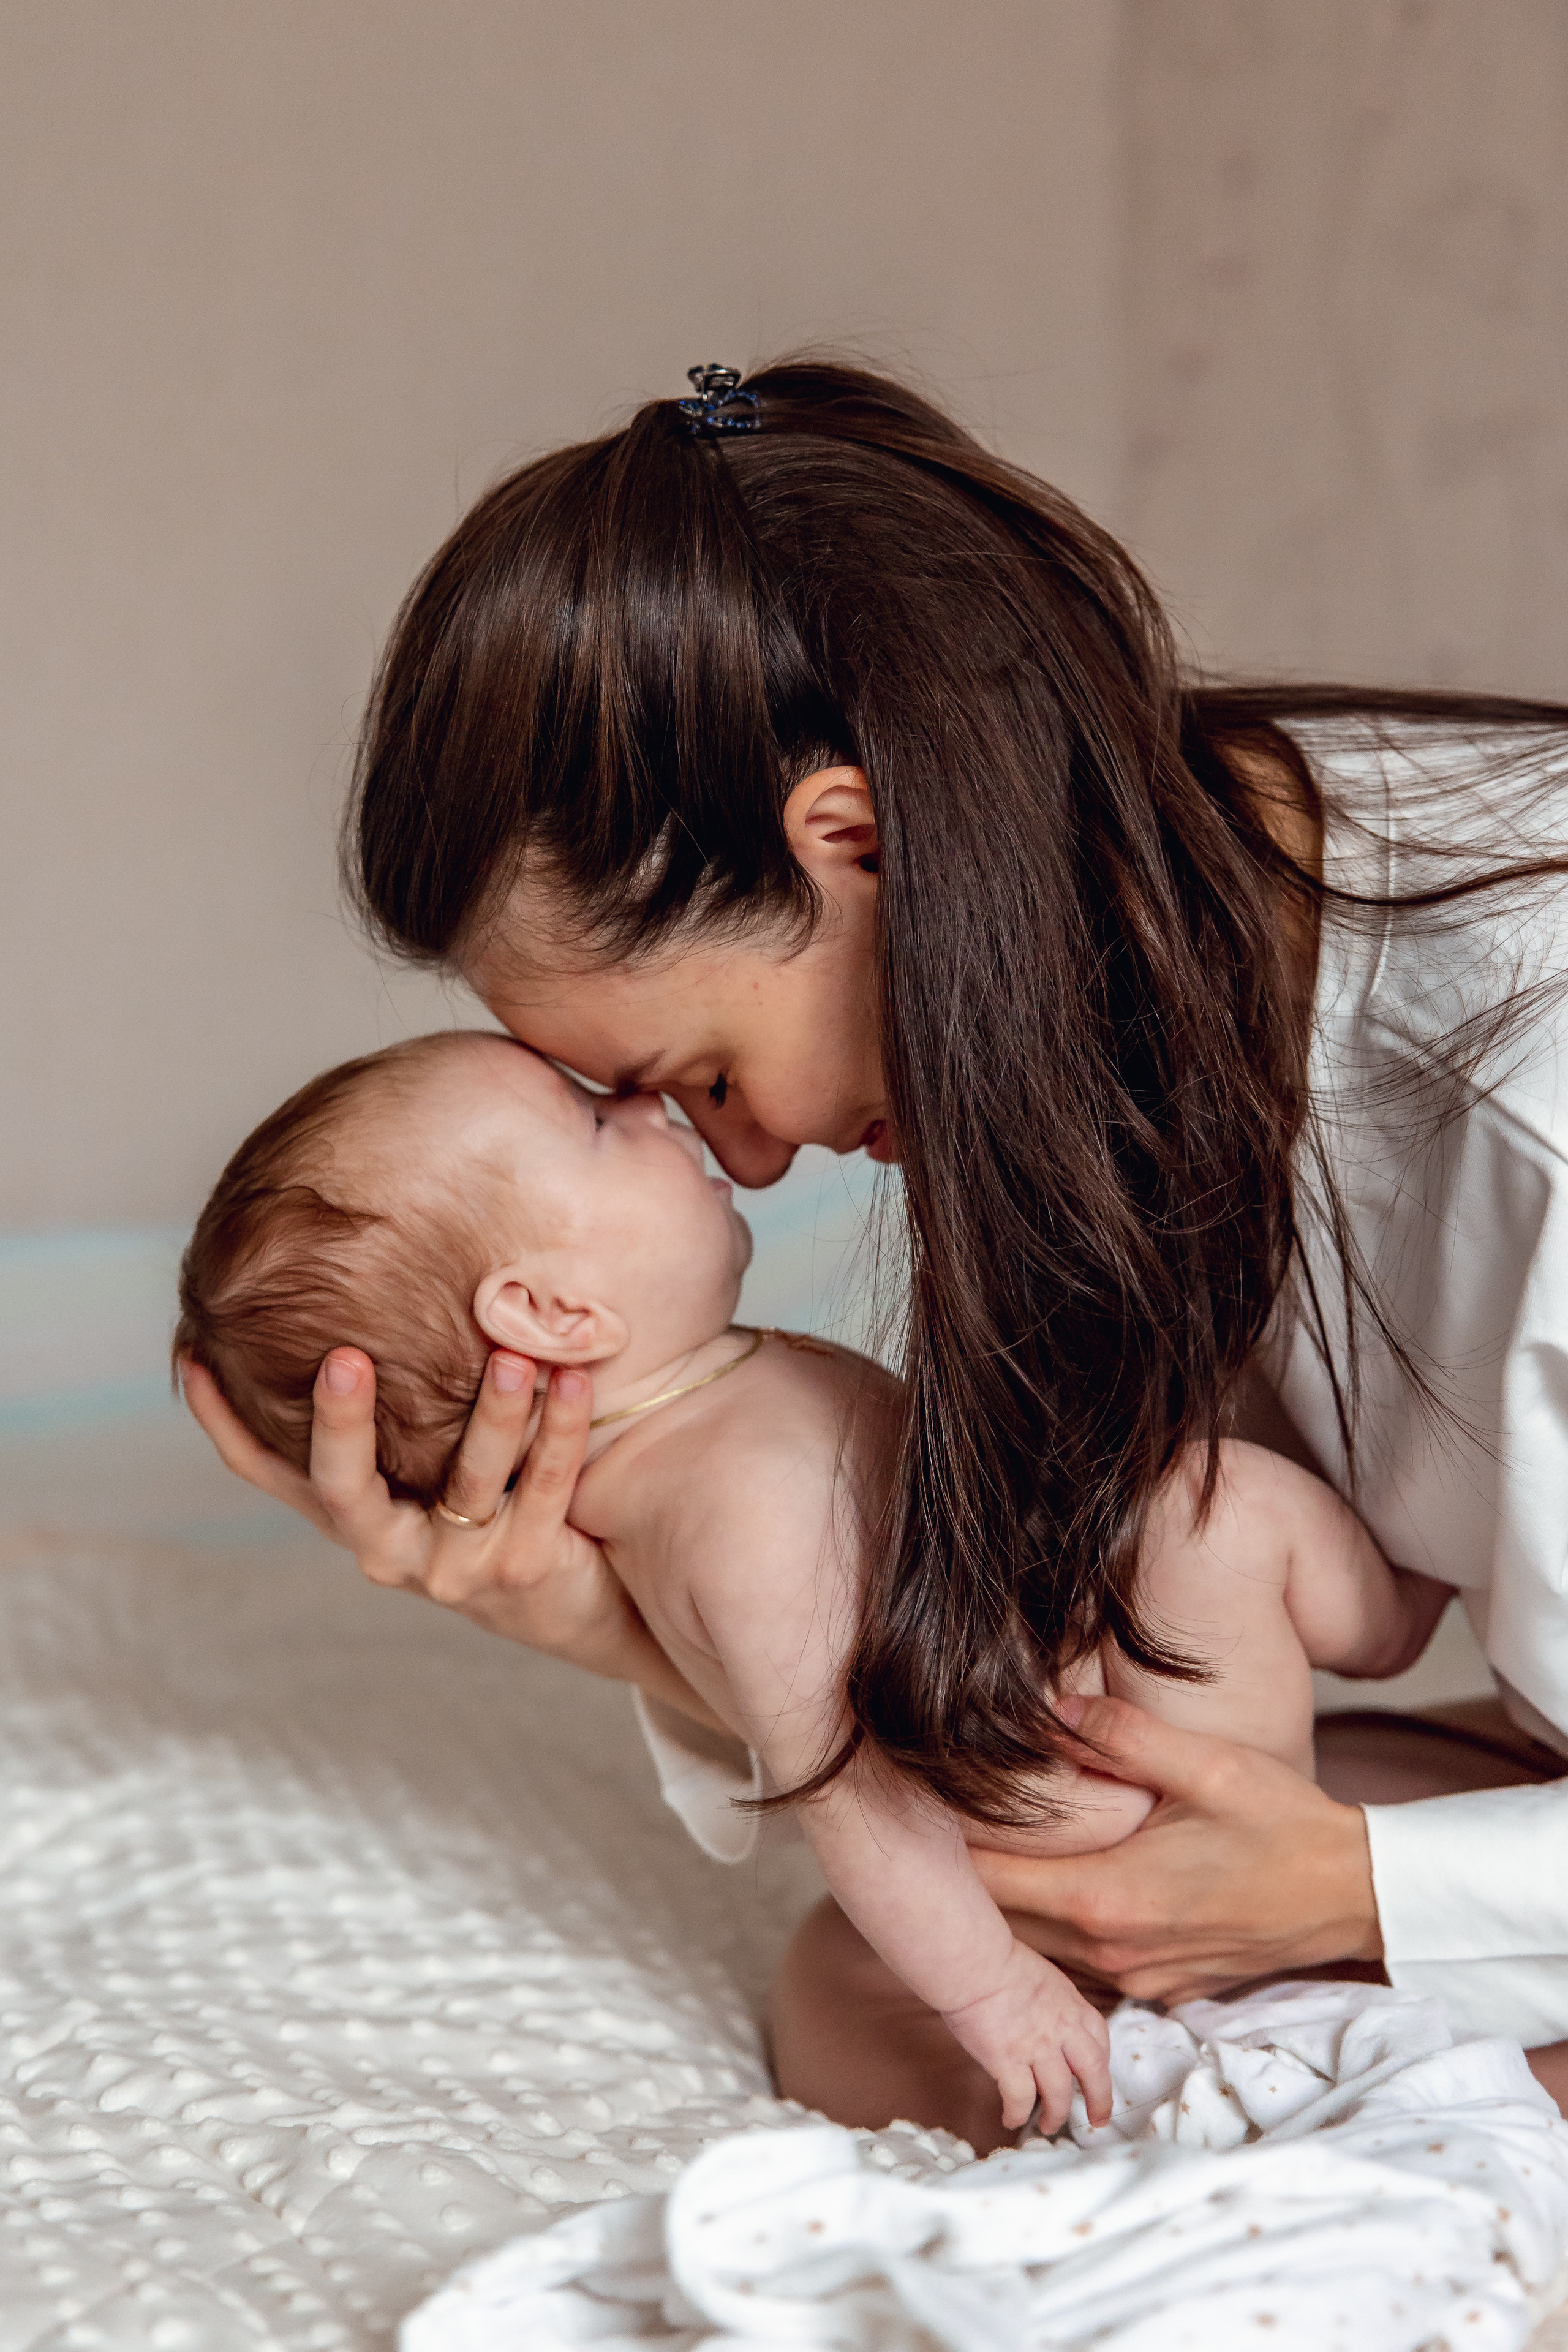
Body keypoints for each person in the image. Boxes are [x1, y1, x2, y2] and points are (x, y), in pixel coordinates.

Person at [184, 359, 1568, 2115]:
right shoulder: (1182, 914)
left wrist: (1344, 1890)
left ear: (855, 840)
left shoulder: (1527, 1115)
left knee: (1226, 2071)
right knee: (874, 1988)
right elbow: (1000, 1692)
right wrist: (599, 1612)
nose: (748, 1163)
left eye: (699, 1077)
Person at [175, 1026, 1457, 2146]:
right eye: (595, 1121)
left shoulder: (695, 1419)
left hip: (1067, 1730)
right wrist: (991, 1992)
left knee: (1166, 1519)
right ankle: (1392, 1613)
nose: (649, 1105)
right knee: (1204, 1511)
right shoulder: (731, 1506)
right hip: (1106, 1788)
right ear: (554, 1312)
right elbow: (851, 1783)